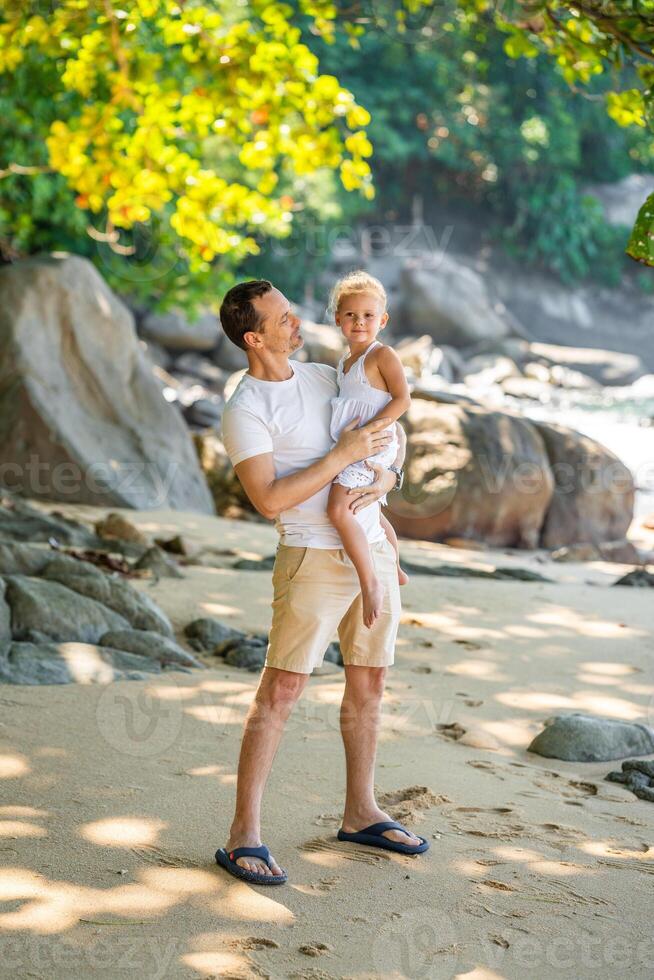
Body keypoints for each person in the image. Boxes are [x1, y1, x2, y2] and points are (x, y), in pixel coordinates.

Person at [214, 279, 429, 885]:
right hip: (310, 555)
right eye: (282, 318)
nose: (297, 322)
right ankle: (243, 836)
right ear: (254, 337)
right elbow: (268, 497)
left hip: (371, 545)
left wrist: (388, 484)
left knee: (371, 682)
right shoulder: (246, 408)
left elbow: (377, 435)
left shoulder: (322, 376)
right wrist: (340, 459)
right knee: (280, 692)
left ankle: (361, 811)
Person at [326, 271, 411, 629]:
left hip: (370, 444)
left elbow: (403, 399)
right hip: (358, 444)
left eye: (368, 316)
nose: (359, 322)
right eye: (351, 315)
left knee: (339, 509)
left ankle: (371, 580)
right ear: (338, 319)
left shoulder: (382, 355)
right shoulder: (344, 364)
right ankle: (395, 565)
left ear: (383, 320)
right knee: (371, 512)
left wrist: (372, 431)